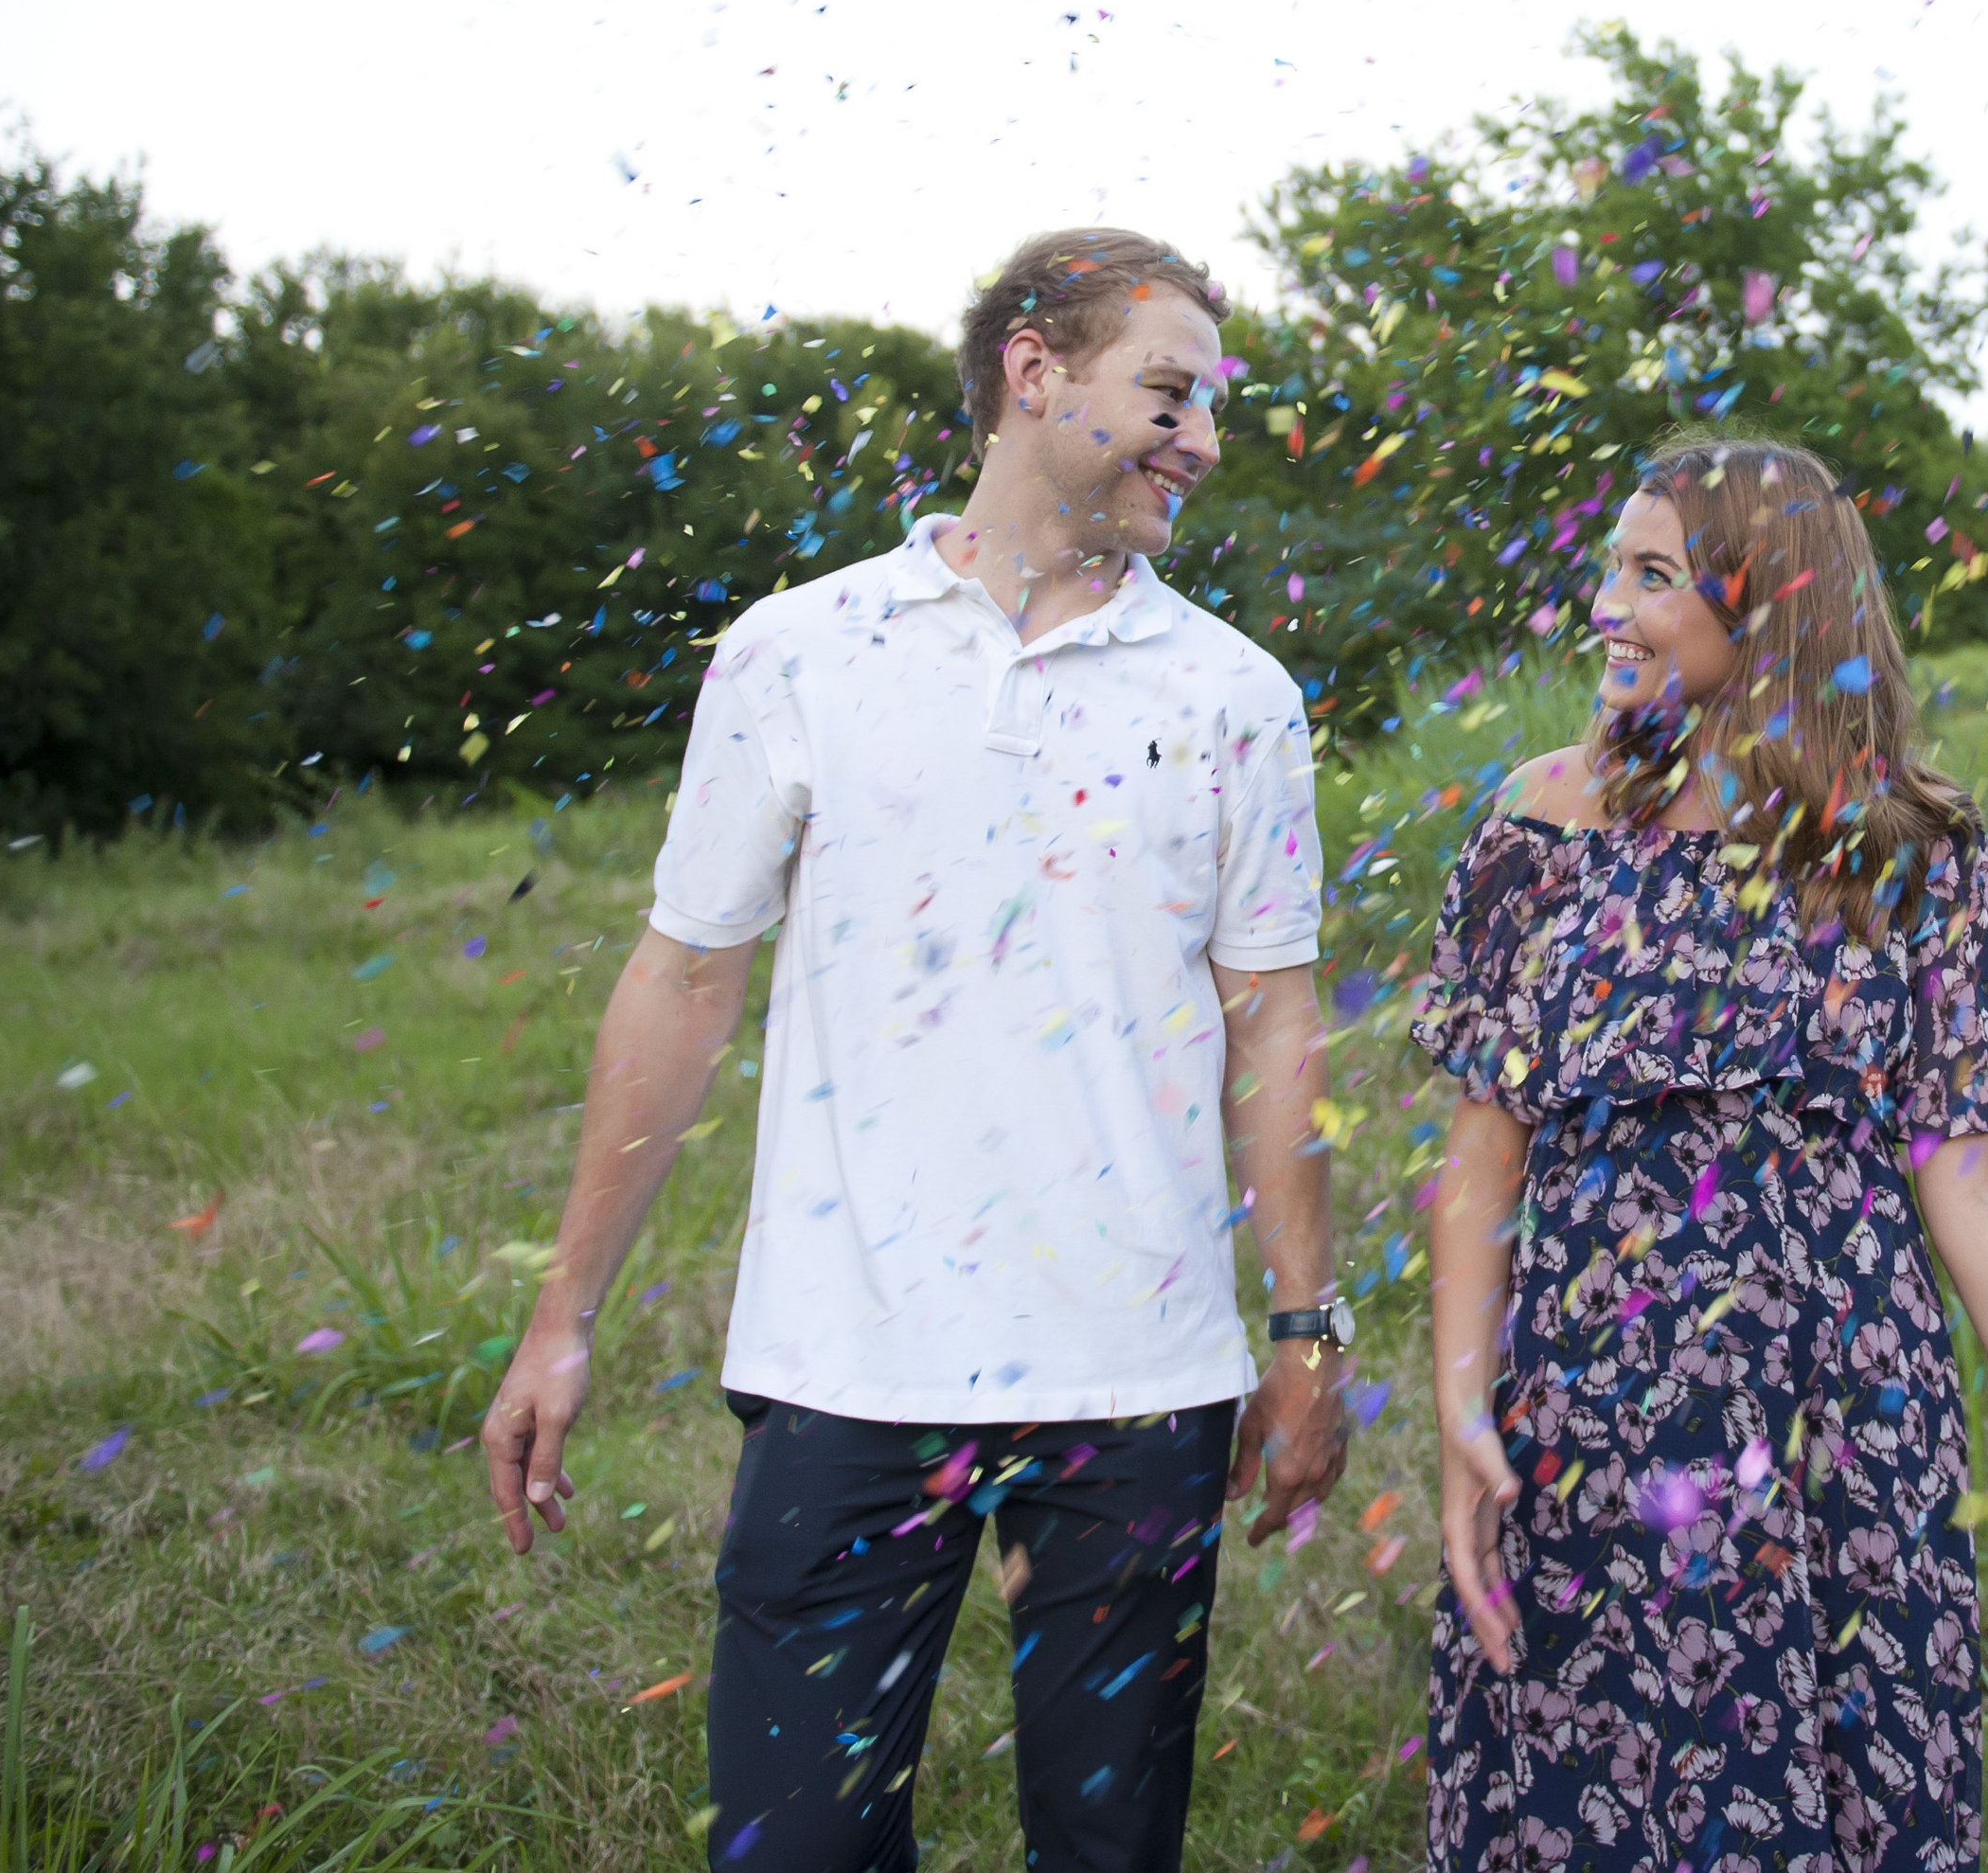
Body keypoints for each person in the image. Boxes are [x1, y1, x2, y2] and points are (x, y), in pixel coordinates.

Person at [478, 227, 1350, 1873]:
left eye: (1215, 405)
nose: (1208, 441)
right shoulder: (800, 651)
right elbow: (680, 983)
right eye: (1172, 392)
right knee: (798, 1849)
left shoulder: (1241, 696)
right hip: (847, 1365)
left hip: (1138, 1382)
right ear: (1035, 371)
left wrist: (1305, 1333)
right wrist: (561, 1318)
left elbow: (1274, 1024)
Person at [1411, 436, 1988, 1873]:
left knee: (1848, 1789)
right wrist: (1459, 1409)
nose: (1606, 605)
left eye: (1654, 574)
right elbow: (1480, 1161)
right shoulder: (1541, 825)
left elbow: (1974, 1179)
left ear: (1772, 607)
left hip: (1844, 1436)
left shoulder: (1905, 848)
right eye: (1610, 566)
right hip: (1600, 1431)